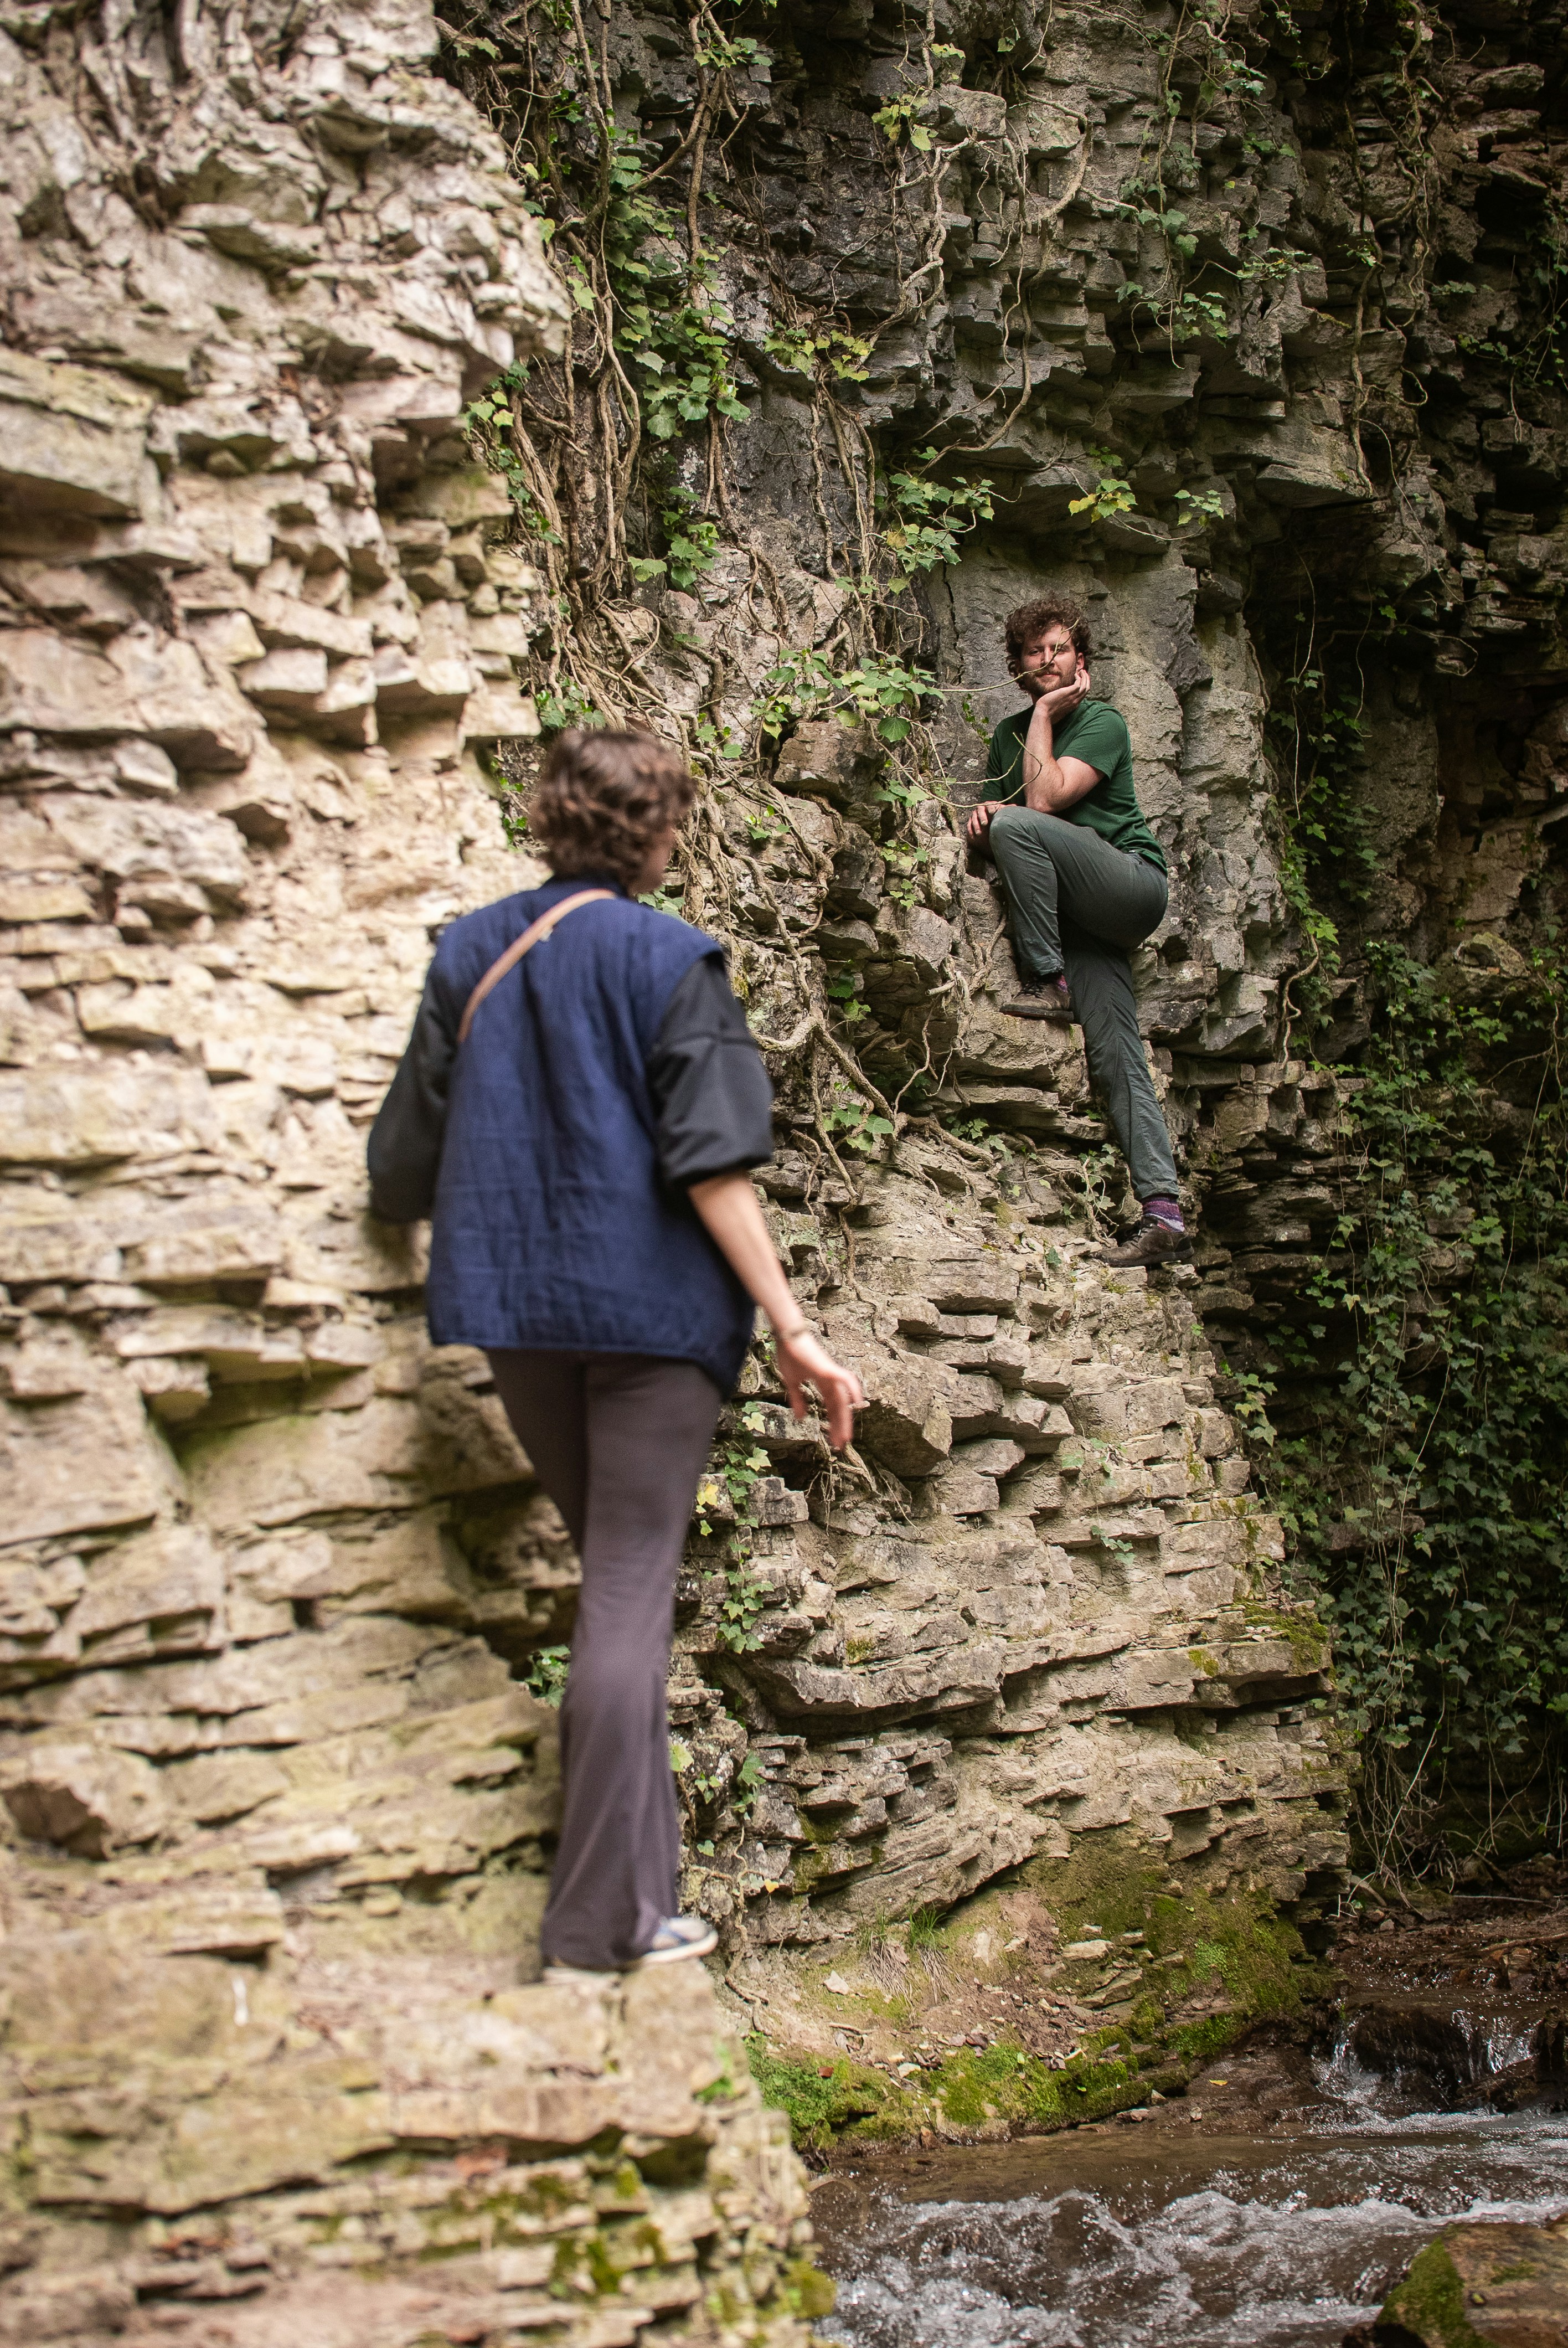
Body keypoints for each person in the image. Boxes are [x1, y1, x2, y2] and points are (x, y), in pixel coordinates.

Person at [367, 727, 864, 1978]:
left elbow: (399, 1166)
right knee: (630, 1592)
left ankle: (647, 1901)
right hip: (651, 1323)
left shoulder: (470, 949)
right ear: (656, 832)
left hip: (518, 1313)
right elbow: (714, 1165)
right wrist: (794, 1327)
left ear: (551, 820)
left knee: (615, 1592)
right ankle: (596, 1929)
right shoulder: (669, 959)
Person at [966, 595, 1192, 1270]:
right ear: (1019, 664)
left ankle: (1047, 978)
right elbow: (1003, 833)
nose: (1047, 659)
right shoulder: (1006, 737)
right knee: (1116, 1052)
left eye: (1059, 648)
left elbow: (1041, 803)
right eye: (1034, 651)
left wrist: (1043, 717)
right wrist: (980, 821)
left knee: (1018, 821)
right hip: (1081, 923)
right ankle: (1164, 1212)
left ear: (1080, 660)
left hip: (1129, 887)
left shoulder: (1101, 721)